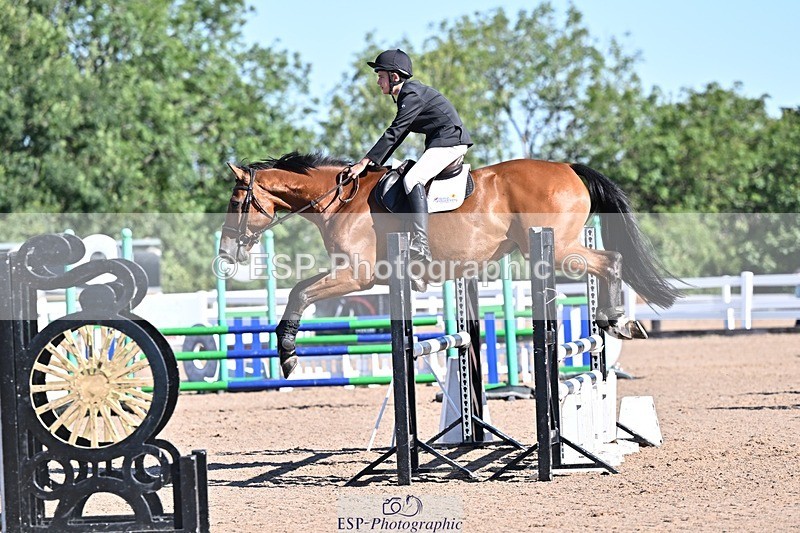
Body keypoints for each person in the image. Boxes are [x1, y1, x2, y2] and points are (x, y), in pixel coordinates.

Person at [346, 49, 473, 263]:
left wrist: (364, 163)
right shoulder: (408, 95)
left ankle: (421, 245)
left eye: (380, 75)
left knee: (413, 178)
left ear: (394, 76)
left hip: (450, 142)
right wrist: (374, 162)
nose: (378, 81)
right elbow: (400, 134)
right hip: (442, 141)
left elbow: (395, 132)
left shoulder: (411, 94)